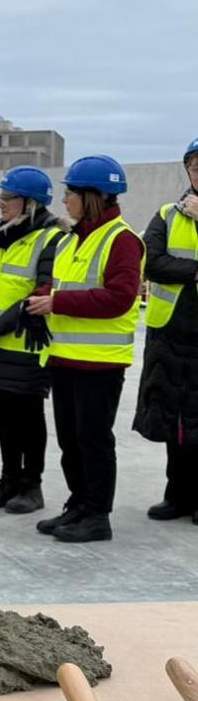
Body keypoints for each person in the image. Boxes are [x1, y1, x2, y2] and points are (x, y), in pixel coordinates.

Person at [26, 155, 145, 543]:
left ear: (92, 197)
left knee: (93, 441)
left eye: (70, 194)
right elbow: (64, 283)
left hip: (100, 363)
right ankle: (78, 505)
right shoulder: (73, 238)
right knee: (70, 440)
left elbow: (119, 298)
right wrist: (38, 298)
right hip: (65, 357)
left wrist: (57, 302)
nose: (65, 201)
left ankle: (97, 516)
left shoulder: (123, 240)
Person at [0, 166, 67, 514]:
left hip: (25, 342)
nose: (1, 204)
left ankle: (30, 485)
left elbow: (42, 289)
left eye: (9, 198)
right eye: (2, 197)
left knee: (28, 415)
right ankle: (8, 480)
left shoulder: (52, 238)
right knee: (3, 414)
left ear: (30, 203)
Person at [132, 137, 198, 524]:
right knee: (174, 416)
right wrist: (193, 272)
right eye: (194, 166)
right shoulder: (167, 213)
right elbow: (150, 260)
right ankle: (178, 494)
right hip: (170, 331)